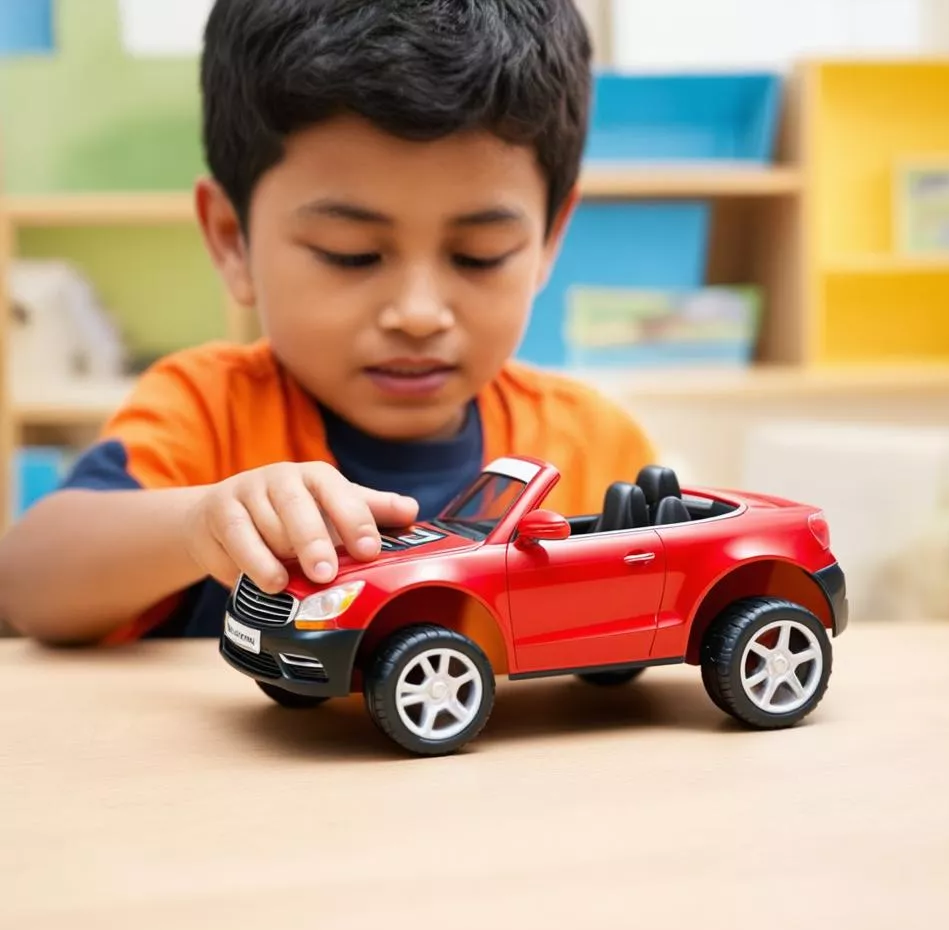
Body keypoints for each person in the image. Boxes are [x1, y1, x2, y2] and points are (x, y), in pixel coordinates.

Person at [0, 0, 656, 646]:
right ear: (233, 240)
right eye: (352, 254)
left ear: (548, 239)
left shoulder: (592, 444)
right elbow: (28, 584)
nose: (419, 315)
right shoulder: (209, 410)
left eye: (477, 257)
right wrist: (198, 522)